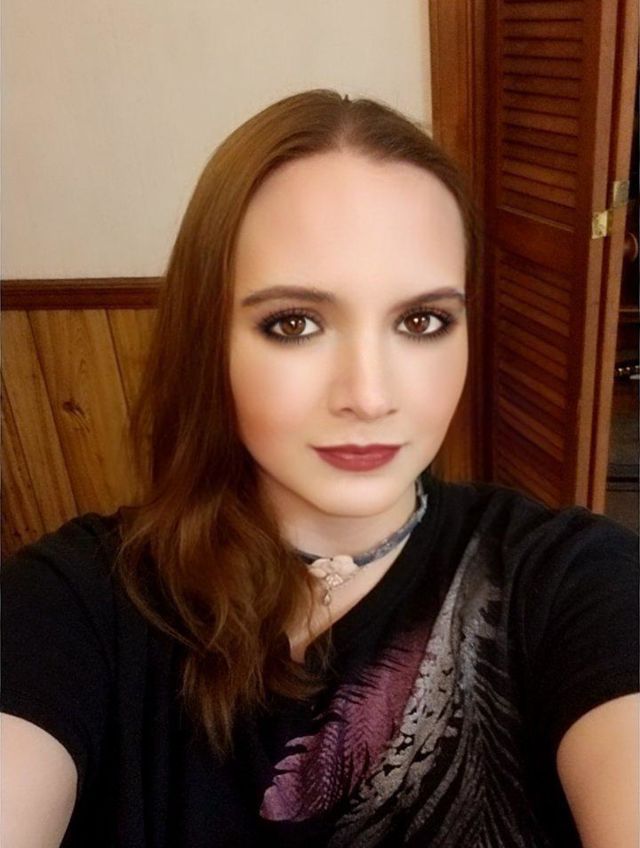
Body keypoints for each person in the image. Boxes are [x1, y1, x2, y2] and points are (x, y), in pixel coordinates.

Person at [1, 89, 638, 848]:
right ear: (211, 339)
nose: (368, 395)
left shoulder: (570, 580)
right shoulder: (78, 599)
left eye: (422, 321)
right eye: (295, 323)